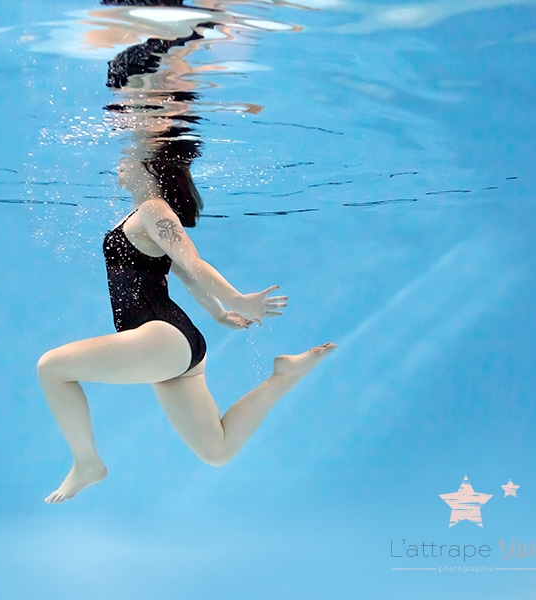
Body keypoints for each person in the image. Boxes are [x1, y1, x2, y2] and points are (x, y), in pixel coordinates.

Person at [37, 153, 335, 504]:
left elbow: (192, 262)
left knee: (51, 368)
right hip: (172, 343)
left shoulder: (154, 210)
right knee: (217, 450)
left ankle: (87, 464)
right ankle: (283, 376)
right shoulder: (142, 214)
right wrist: (220, 314)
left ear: (149, 165)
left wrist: (237, 300)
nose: (119, 159)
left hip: (160, 336)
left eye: (128, 155)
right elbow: (182, 274)